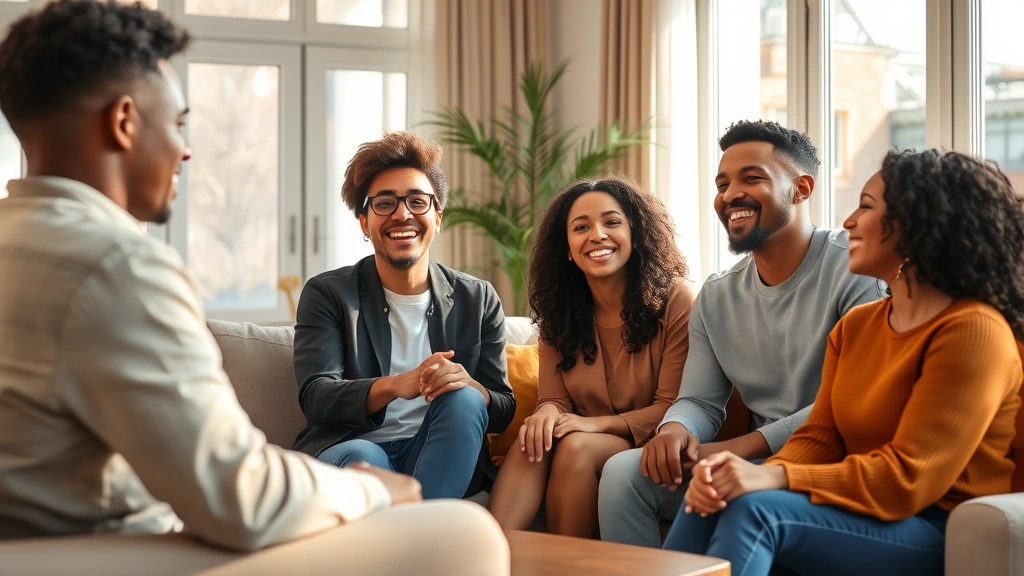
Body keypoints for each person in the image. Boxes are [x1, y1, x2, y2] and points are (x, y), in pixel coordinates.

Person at [0, 2, 509, 571]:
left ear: (438, 214)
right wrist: (373, 491)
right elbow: (239, 494)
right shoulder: (120, 265)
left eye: (417, 202)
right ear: (123, 122)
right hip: (105, 550)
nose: (184, 149)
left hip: (40, 542)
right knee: (468, 535)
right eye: (177, 124)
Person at [663, 149, 1024, 576]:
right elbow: (818, 440)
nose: (848, 221)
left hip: (937, 526)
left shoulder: (973, 330)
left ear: (921, 226)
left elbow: (907, 479)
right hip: (860, 511)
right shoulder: (858, 325)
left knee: (756, 511)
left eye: (866, 207)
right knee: (709, 496)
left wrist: (770, 479)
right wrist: (744, 475)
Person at [599, 120, 882, 547]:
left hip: (830, 464)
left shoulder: (855, 269)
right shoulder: (715, 296)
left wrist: (743, 448)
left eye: (752, 178)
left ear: (801, 189)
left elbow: (850, 403)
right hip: (750, 460)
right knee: (625, 473)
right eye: (722, 183)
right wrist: (675, 429)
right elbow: (699, 400)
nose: (731, 195)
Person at [291, 131, 516, 500]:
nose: (402, 214)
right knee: (366, 454)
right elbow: (317, 396)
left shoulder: (478, 298)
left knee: (466, 399)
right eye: (384, 203)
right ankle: (425, 538)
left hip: (439, 455)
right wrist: (399, 384)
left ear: (438, 217)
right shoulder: (328, 293)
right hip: (355, 449)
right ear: (365, 223)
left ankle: (411, 535)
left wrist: (472, 386)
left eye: (417, 201)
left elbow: (503, 406)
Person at [487, 176, 694, 538]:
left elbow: (672, 406)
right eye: (581, 227)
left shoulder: (677, 300)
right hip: (582, 436)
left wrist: (592, 425)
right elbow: (554, 399)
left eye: (611, 222)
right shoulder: (558, 313)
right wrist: (547, 415)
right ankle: (491, 557)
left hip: (657, 440)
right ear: (567, 248)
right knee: (532, 439)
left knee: (575, 447)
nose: (597, 235)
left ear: (635, 233)